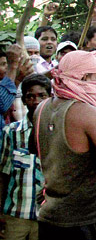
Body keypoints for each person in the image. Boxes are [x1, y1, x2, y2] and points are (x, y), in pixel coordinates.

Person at [34, 50, 96, 239]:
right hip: (79, 221)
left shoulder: (42, 107)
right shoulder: (83, 111)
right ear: (84, 78)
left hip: (49, 215)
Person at [0, 74, 50, 239]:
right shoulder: (12, 132)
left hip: (47, 216)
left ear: (50, 97)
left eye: (41, 96)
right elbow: (3, 175)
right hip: (16, 214)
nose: (36, 101)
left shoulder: (58, 132)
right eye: (30, 96)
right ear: (23, 100)